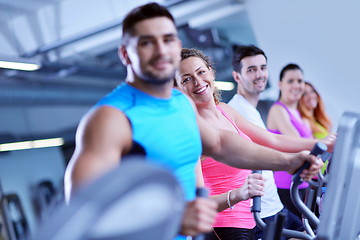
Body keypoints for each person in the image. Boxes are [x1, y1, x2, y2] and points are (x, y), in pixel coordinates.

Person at [63, 3, 324, 240]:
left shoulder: (179, 104)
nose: (160, 50)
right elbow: (80, 212)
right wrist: (172, 218)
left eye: (167, 40)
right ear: (125, 54)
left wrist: (287, 161)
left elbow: (222, 144)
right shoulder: (110, 119)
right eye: (146, 42)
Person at [175, 48, 334, 240]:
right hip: (225, 227)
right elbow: (199, 203)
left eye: (201, 72)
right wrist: (239, 193)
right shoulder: (192, 132)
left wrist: (321, 143)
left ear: (210, 71)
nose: (198, 82)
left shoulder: (225, 111)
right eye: (186, 79)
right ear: (178, 90)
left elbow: (271, 140)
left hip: (251, 218)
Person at [227, 45, 310, 239]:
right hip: (261, 213)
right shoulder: (237, 111)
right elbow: (271, 144)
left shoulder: (252, 110)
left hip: (275, 206)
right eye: (251, 69)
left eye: (262, 67)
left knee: (314, 233)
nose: (259, 74)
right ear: (237, 76)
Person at [266, 63, 312, 219]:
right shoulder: (278, 110)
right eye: (290, 81)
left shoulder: (300, 115)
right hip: (286, 186)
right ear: (280, 84)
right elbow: (297, 143)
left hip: (303, 185)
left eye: (300, 81)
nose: (296, 85)